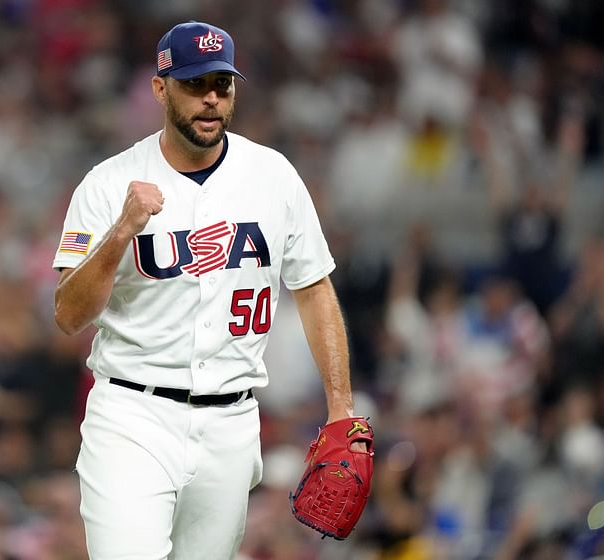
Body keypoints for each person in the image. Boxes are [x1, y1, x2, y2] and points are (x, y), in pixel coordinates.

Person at [53, 21, 359, 559]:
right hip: (133, 415)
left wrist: (341, 408)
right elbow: (68, 315)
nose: (211, 99)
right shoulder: (107, 184)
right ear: (160, 88)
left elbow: (313, 290)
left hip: (232, 422)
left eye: (223, 84)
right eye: (196, 85)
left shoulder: (274, 176)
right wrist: (122, 232)